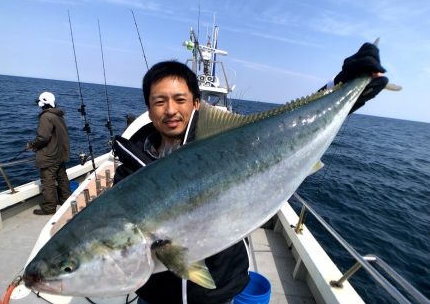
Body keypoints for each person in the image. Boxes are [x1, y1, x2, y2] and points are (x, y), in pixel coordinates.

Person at [112, 42, 388, 304]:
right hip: (156, 299)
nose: (170, 110)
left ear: (196, 104)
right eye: (160, 101)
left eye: (179, 99)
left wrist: (345, 85)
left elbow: (283, 130)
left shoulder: (230, 148)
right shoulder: (130, 170)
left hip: (219, 294)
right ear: (149, 109)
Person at [27, 92, 71, 215]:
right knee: (62, 178)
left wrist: (32, 145)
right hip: (60, 155)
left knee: (48, 182)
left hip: (50, 156)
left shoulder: (46, 117)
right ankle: (66, 200)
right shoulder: (58, 116)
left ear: (43, 104)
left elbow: (43, 138)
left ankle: (49, 208)